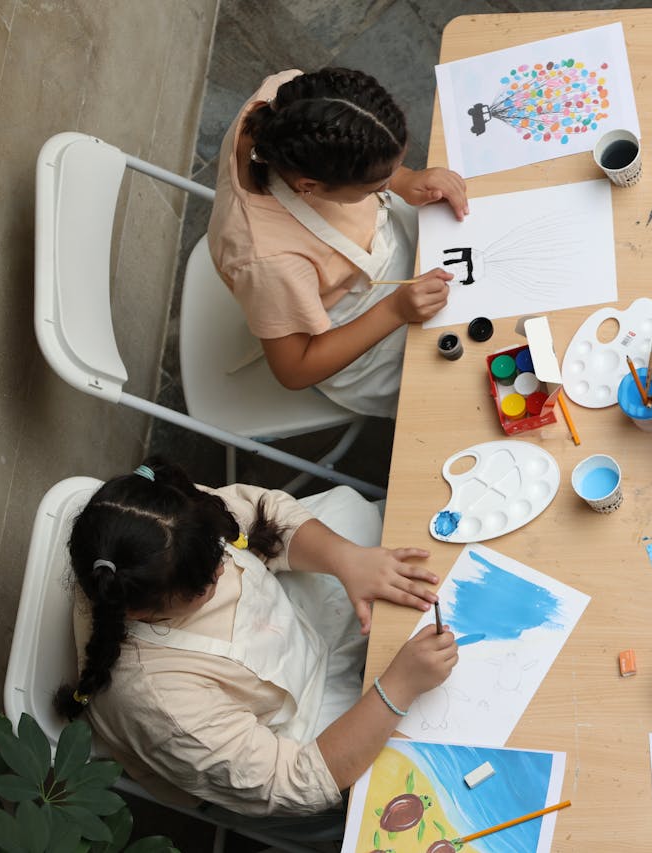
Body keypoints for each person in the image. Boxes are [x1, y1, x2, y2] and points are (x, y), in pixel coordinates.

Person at [56, 458, 458, 836]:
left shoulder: (165, 522)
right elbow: (294, 782)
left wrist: (347, 559)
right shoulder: (158, 702)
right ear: (142, 614)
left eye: (220, 553)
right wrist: (397, 689)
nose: (225, 565)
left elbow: (264, 516)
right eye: (208, 583)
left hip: (291, 625)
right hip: (292, 724)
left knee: (364, 521)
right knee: (416, 764)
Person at [208, 67, 469, 419]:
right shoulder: (268, 259)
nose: (387, 182)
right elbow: (295, 370)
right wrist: (395, 311)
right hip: (357, 330)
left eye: (393, 169)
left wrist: (406, 180)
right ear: (308, 186)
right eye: (376, 183)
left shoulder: (287, 99)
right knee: (462, 388)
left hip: (387, 251)